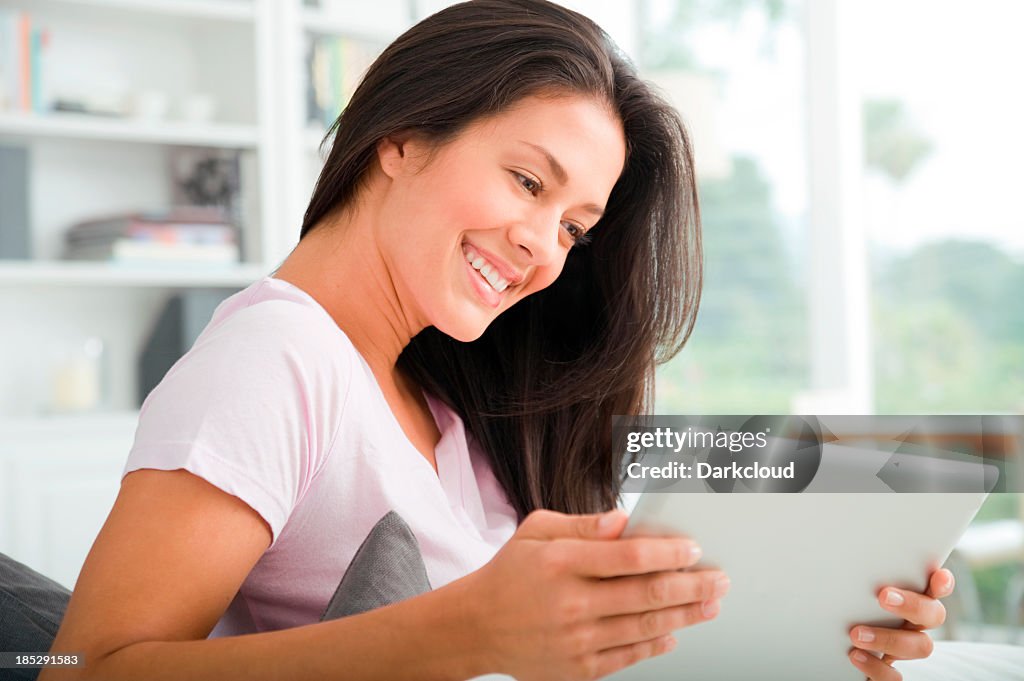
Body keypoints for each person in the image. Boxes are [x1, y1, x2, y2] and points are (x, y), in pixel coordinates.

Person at [36, 1, 992, 680]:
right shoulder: (277, 359)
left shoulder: (451, 407)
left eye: (576, 227)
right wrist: (470, 630)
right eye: (529, 183)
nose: (543, 249)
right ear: (402, 138)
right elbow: (84, 671)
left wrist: (812, 631)